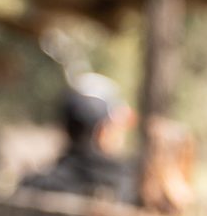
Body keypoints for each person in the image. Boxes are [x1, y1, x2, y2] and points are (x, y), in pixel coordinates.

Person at [19, 74, 139, 205]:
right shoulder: (133, 188)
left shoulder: (34, 187)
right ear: (102, 131)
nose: (121, 132)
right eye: (116, 125)